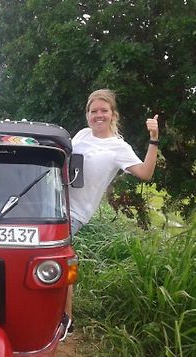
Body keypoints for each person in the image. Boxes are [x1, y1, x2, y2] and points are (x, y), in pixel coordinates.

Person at [61, 88, 159, 340]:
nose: (98, 115)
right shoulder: (82, 134)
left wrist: (154, 139)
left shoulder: (118, 147)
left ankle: (66, 320)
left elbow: (145, 173)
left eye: (104, 110)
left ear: (113, 114)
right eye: (93, 111)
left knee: (60, 258)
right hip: (53, 204)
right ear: (88, 115)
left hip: (75, 213)